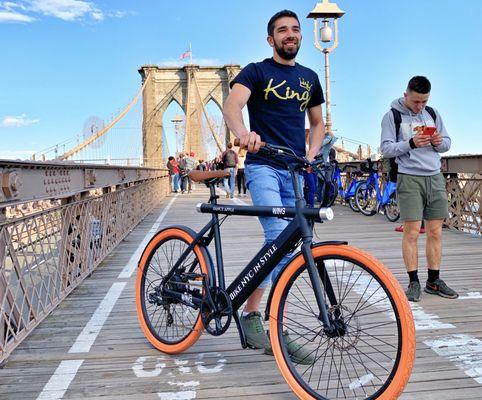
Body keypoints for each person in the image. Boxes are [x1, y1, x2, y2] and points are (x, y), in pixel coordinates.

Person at [223, 9, 325, 363]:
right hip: (263, 166)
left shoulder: (310, 78)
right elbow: (232, 105)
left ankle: (251, 314)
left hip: (295, 169)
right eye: (282, 30)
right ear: (271, 39)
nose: (290, 34)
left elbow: (317, 123)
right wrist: (242, 134)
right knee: (278, 238)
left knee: (286, 241)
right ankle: (265, 323)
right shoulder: (256, 71)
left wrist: (312, 152)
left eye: (295, 29)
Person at [380, 75, 457, 302]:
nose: (420, 106)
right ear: (406, 95)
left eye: (424, 101)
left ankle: (433, 280)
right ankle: (413, 282)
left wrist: (437, 142)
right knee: (412, 232)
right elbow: (385, 149)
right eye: (416, 101)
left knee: (435, 231)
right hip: (409, 177)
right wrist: (411, 143)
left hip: (434, 177)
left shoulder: (432, 114)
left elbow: (447, 143)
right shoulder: (392, 116)